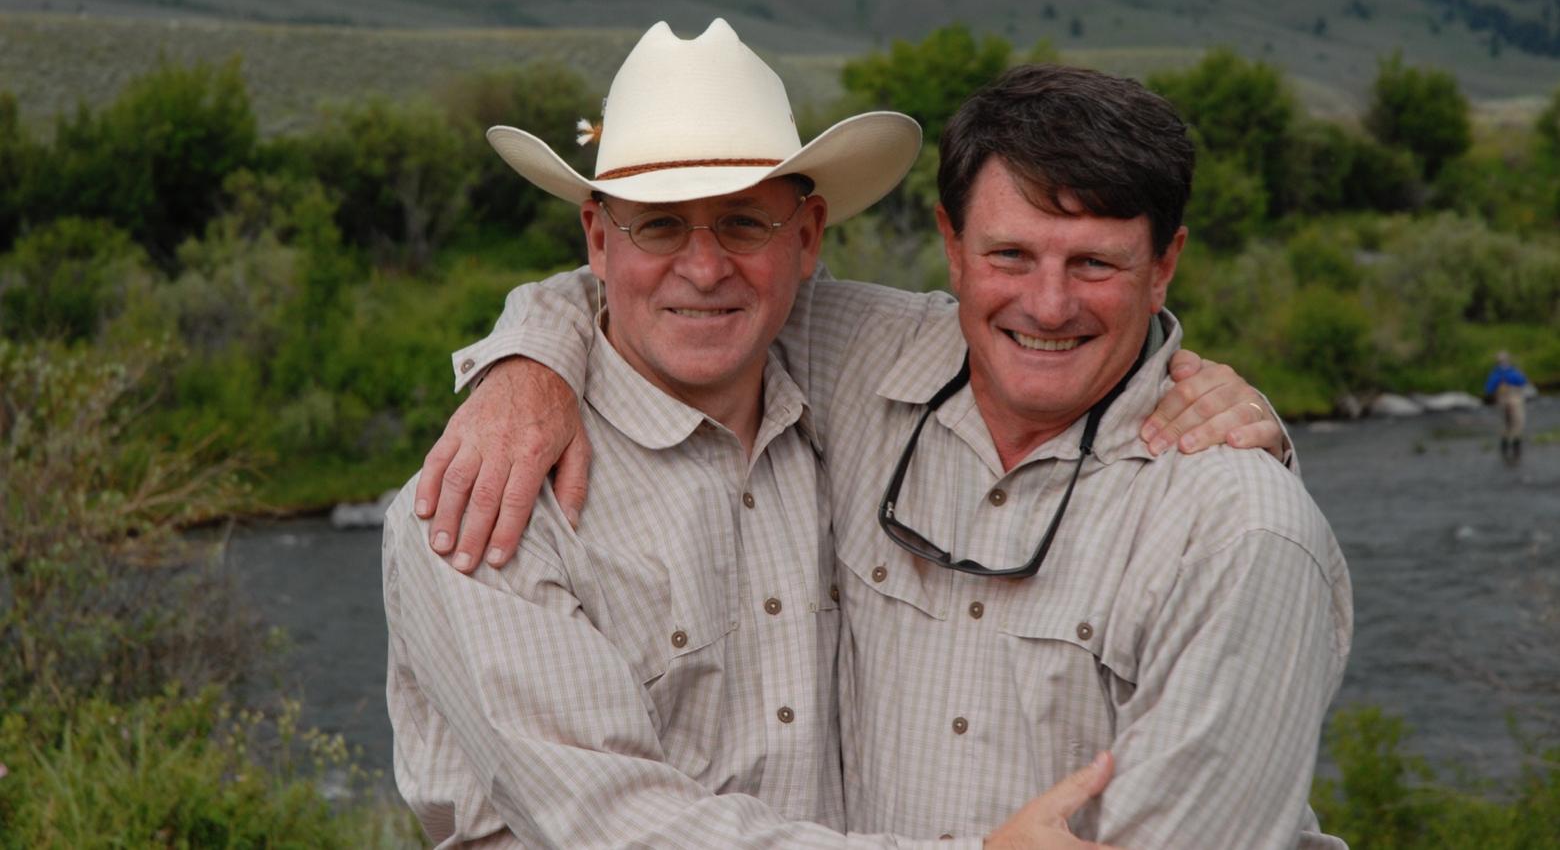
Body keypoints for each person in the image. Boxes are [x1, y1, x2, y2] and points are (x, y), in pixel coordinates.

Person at [418, 50, 1350, 846]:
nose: (1050, 304)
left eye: (1096, 263)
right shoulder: (852, 361)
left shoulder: (1237, 529)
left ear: (1165, 266)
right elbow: (651, 297)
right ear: (951, 246)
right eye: (1011, 256)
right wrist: (524, 363)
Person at [1484, 350, 1532, 464]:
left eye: (1505, 359)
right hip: (1504, 402)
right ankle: (1506, 448)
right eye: (1501, 360)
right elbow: (1489, 389)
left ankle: (1515, 447)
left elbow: (1523, 382)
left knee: (1518, 423)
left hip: (1515, 400)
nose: (1503, 362)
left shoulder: (1514, 372)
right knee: (1507, 425)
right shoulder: (1495, 374)